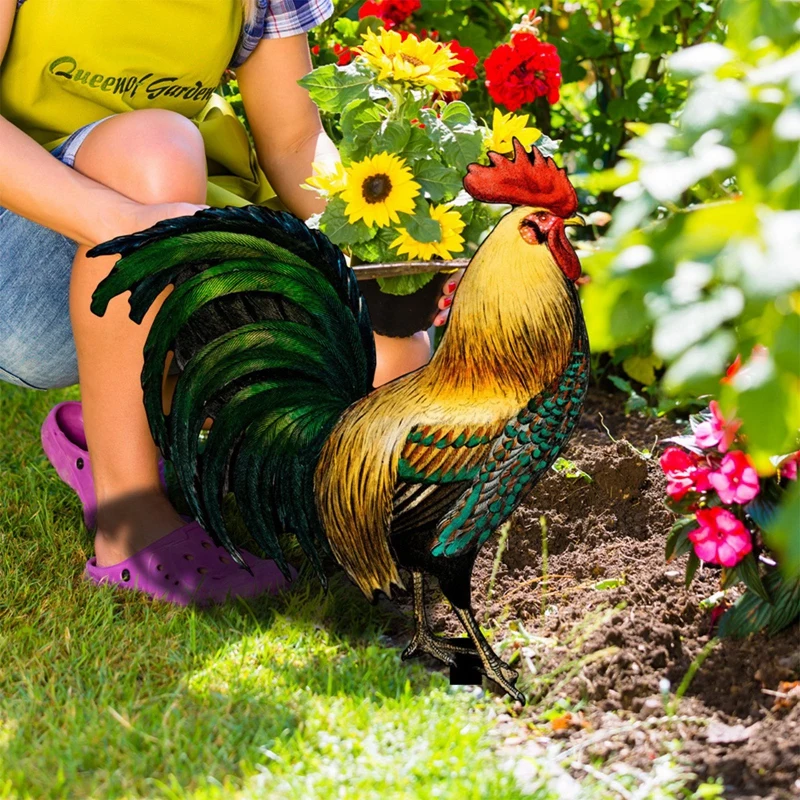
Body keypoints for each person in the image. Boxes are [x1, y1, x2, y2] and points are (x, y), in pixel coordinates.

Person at [0, 0, 456, 604]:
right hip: (22, 251)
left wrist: (368, 247)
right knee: (156, 149)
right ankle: (128, 516)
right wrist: (136, 225)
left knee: (391, 355)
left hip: (160, 211)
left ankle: (136, 427)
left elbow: (293, 139)